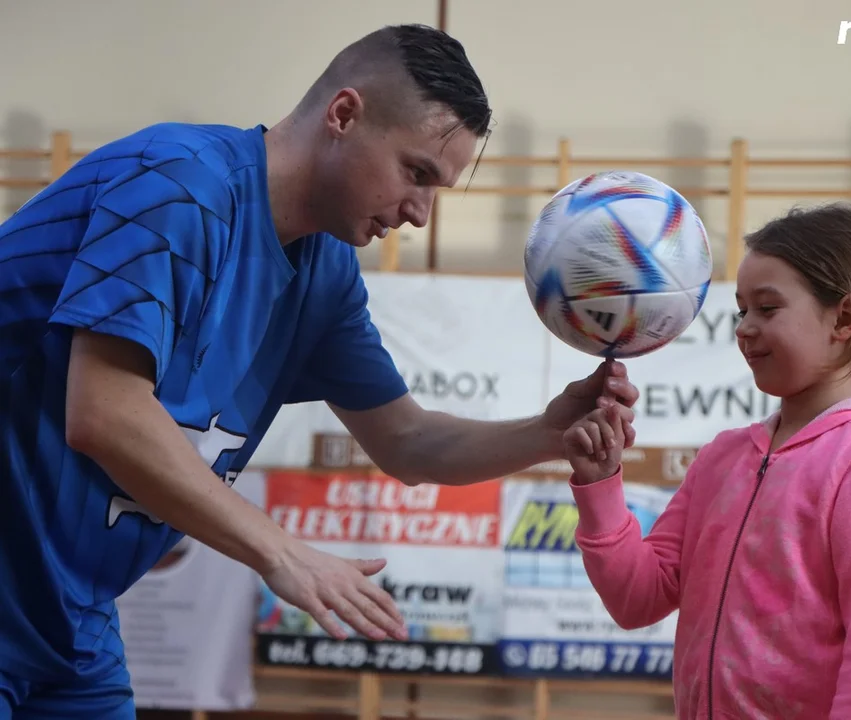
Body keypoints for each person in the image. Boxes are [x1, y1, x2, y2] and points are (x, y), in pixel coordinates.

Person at [0, 23, 638, 719]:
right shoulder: (179, 185)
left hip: (67, 619)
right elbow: (105, 414)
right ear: (343, 114)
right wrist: (282, 552)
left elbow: (408, 441)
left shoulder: (325, 274)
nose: (420, 214)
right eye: (416, 173)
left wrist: (548, 431)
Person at [564, 202, 851, 719]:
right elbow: (638, 599)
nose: (744, 328)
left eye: (768, 309)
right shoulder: (723, 458)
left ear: (845, 319)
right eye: (742, 310)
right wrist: (601, 483)